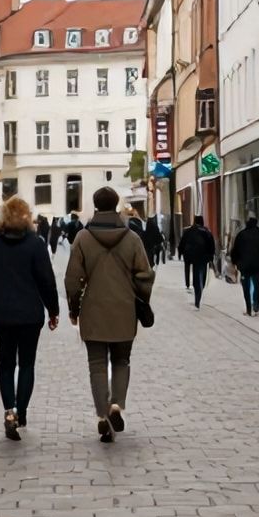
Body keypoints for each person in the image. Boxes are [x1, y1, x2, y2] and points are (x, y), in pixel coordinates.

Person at [64, 187, 155, 443]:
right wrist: (141, 298)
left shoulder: (82, 238)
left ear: (95, 205)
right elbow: (145, 274)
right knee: (121, 360)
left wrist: (73, 307)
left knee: (96, 364)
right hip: (124, 308)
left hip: (93, 310)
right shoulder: (132, 237)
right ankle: (117, 405)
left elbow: (73, 279)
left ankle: (103, 416)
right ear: (116, 205)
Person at [0, 196, 60, 440]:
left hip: (2, 314)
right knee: (27, 364)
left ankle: (9, 410)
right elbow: (46, 280)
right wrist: (53, 310)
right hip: (30, 314)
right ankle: (21, 411)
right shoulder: (35, 243)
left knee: (6, 364)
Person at [228, 215, 259, 317]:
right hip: (258, 266)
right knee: (257, 286)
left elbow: (235, 251)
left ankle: (248, 308)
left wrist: (235, 263)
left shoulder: (241, 235)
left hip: (245, 267)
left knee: (246, 287)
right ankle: (256, 305)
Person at [178, 216, 216, 308]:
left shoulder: (189, 231)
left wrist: (181, 252)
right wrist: (211, 257)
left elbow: (182, 242)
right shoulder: (206, 231)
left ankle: (197, 297)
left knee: (196, 277)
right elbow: (212, 245)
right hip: (204, 258)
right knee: (202, 275)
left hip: (192, 257)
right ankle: (200, 290)